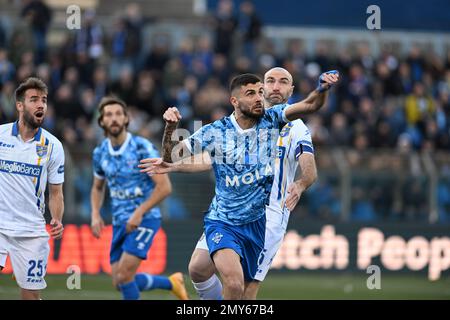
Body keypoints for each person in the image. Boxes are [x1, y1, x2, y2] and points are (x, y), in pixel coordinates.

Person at [142, 70, 338, 299]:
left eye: (282, 82)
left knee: (245, 290)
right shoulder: (219, 131)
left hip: (267, 218)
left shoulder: (285, 123)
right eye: (265, 85)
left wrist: (322, 89)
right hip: (224, 217)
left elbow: (310, 107)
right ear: (236, 100)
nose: (272, 89)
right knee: (205, 272)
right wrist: (171, 136)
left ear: (290, 90)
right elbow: (190, 157)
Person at [89, 96, 188, 300]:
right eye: (109, 115)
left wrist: (139, 212)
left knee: (125, 275)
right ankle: (171, 283)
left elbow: (164, 187)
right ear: (101, 121)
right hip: (120, 221)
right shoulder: (99, 152)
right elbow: (97, 187)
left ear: (127, 119)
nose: (114, 118)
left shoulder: (141, 147)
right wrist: (95, 214)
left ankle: (172, 283)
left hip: (145, 218)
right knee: (119, 280)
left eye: (118, 114)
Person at [0, 77, 65, 300]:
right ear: (20, 105)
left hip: (31, 231)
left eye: (44, 100)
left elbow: (56, 192)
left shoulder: (53, 146)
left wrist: (56, 218)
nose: (41, 105)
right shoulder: (0, 136)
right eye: (34, 99)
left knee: (30, 296)